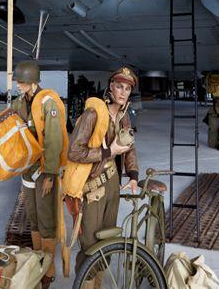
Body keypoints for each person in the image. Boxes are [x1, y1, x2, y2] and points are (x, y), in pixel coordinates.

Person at [68, 66, 139, 286]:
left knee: (108, 241)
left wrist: (133, 174)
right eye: (119, 86)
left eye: (127, 88)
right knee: (89, 246)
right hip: (92, 189)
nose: (123, 92)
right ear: (111, 87)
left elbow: (129, 148)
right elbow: (75, 152)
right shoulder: (93, 114)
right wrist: (109, 152)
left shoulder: (124, 117)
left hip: (112, 186)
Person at [10, 60, 67, 288]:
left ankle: (48, 270)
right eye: (17, 81)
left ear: (32, 82)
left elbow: (54, 140)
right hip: (28, 170)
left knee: (46, 221)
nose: (17, 85)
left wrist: (51, 175)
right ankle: (37, 261)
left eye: (21, 82)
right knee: (33, 218)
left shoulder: (47, 102)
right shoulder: (19, 103)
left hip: (45, 171)